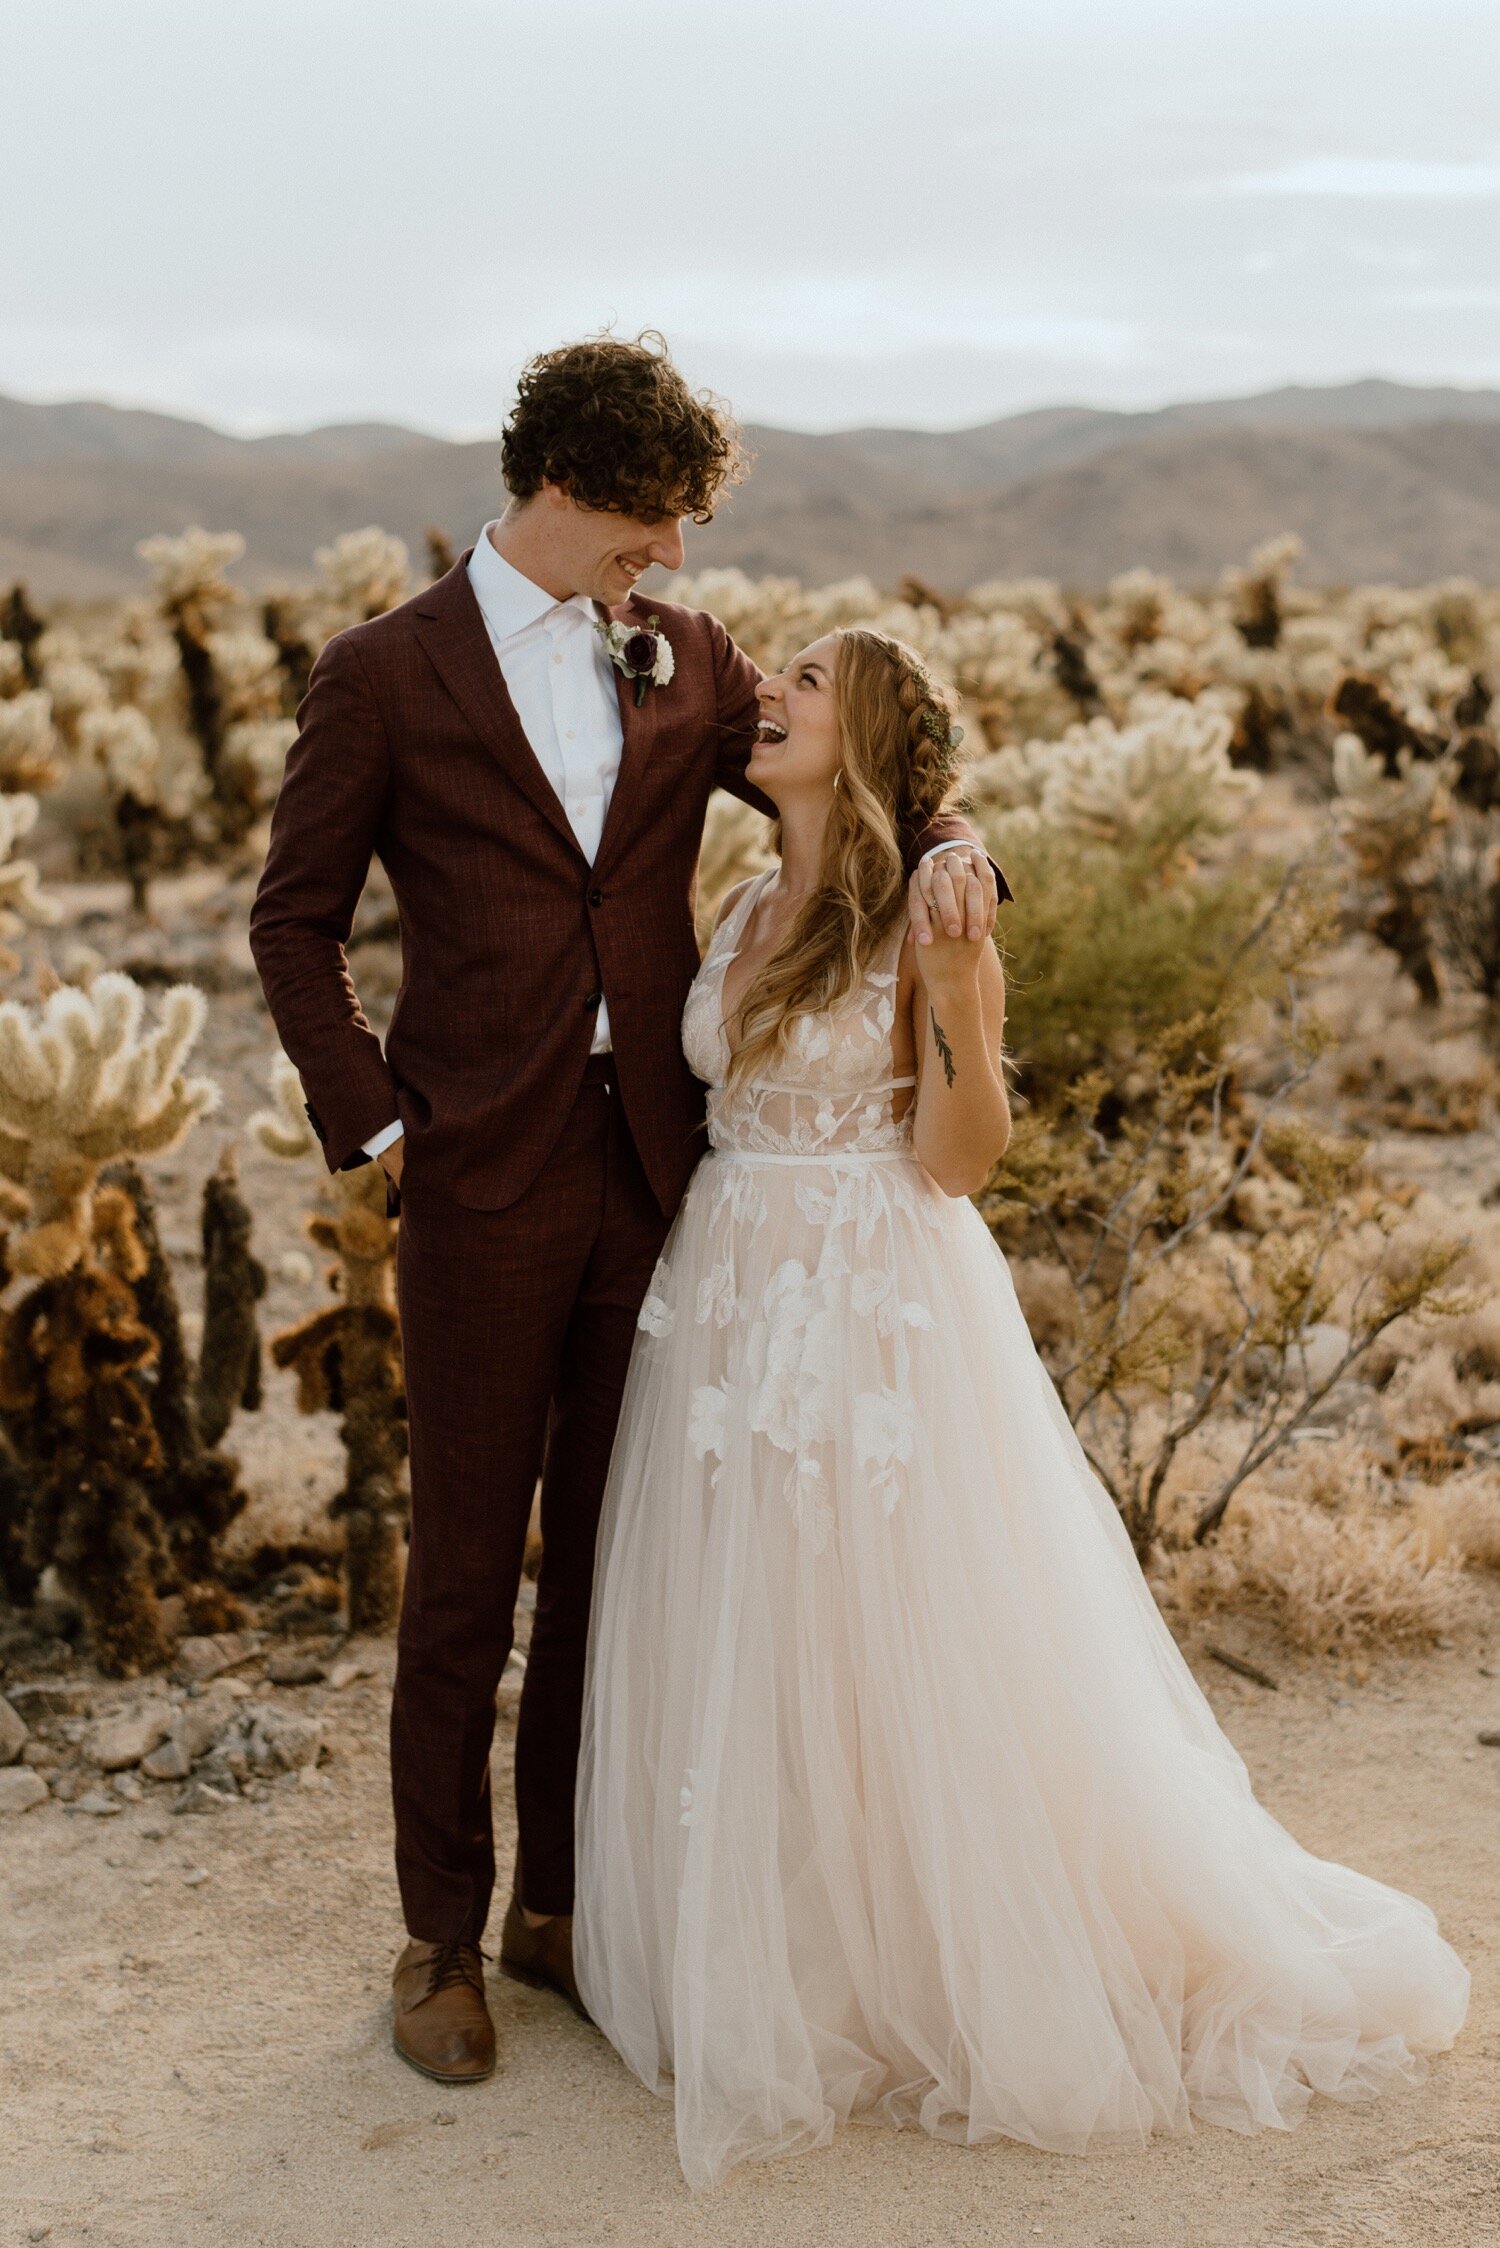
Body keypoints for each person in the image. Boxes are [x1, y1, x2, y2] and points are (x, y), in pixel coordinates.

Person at [573, 625, 1470, 2192]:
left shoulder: (935, 914)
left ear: (863, 737)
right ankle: (792, 1946)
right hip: (726, 1290)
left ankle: (944, 1953)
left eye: (802, 678)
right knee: (761, 1615)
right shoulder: (734, 903)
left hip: (877, 1287)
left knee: (903, 1616)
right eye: (767, 669)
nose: (764, 690)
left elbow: (964, 1157)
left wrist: (965, 998)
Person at [248, 334, 1001, 2085]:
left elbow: (861, 770)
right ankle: (438, 1934)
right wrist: (376, 1130)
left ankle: (563, 1912)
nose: (668, 554)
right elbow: (295, 922)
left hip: (671, 1181)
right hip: (480, 1175)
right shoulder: (385, 673)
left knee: (608, 1561)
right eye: (653, 518)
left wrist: (960, 836)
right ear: (570, 485)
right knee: (461, 1577)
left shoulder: (691, 656)